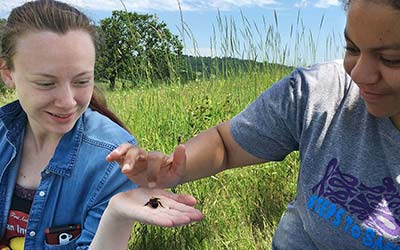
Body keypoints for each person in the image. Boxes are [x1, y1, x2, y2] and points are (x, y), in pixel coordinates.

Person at [107, 0, 400, 249]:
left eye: (391, 59)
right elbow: (226, 144)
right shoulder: (318, 91)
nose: (359, 74)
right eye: (351, 47)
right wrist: (173, 169)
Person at [0, 1, 203, 250]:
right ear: (8, 73)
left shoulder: (113, 158)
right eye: (45, 83)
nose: (67, 102)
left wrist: (116, 216)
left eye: (82, 81)